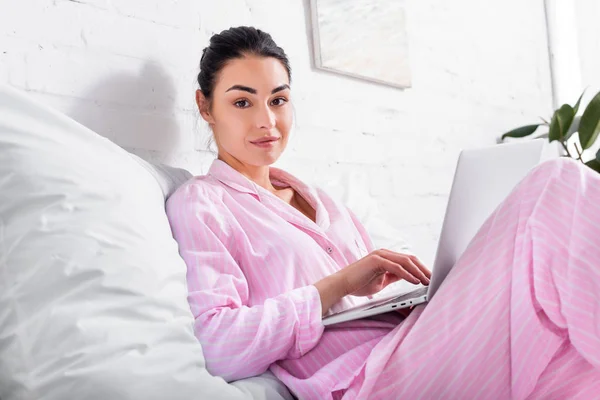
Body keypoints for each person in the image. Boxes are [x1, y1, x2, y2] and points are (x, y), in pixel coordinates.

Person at [166, 26, 600, 399]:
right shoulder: (203, 203)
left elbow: (371, 300)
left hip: (412, 340)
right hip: (369, 380)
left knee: (574, 353)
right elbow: (218, 343)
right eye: (243, 103)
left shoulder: (324, 200)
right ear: (206, 107)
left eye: (278, 100)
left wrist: (418, 297)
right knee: (556, 185)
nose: (267, 121)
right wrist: (341, 283)